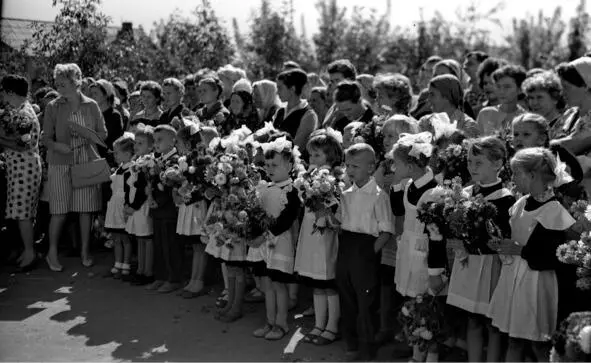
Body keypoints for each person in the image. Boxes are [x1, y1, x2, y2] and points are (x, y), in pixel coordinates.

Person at [488, 148, 575, 362]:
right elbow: (516, 236)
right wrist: (502, 244)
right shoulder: (521, 203)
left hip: (536, 283)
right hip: (513, 277)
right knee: (514, 338)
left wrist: (520, 250)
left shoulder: (553, 210)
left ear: (532, 175)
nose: (513, 178)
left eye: (517, 173)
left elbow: (554, 256)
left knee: (538, 341)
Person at [446, 137, 515, 362]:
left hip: (490, 266)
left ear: (497, 164)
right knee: (472, 320)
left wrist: (468, 243)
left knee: (491, 322)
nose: (471, 167)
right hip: (468, 266)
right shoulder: (464, 193)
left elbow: (498, 238)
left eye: (478, 163)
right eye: (469, 161)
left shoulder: (504, 199)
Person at [43, 63, 108, 271]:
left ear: (75, 82)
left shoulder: (91, 105)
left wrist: (88, 136)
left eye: (63, 83)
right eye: (57, 83)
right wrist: (58, 146)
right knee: (59, 211)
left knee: (85, 210)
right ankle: (51, 253)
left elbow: (103, 134)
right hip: (60, 163)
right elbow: (45, 139)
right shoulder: (53, 106)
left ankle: (85, 251)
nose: (58, 87)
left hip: (85, 161)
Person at [337, 143, 393, 361]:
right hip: (346, 247)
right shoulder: (346, 193)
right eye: (348, 165)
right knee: (346, 297)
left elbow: (386, 231)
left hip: (366, 249)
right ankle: (351, 344)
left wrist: (370, 253)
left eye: (356, 166)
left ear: (371, 168)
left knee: (365, 302)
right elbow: (339, 222)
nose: (350, 170)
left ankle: (367, 347)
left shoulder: (379, 196)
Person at [389, 132, 439, 361]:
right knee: (412, 304)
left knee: (426, 308)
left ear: (410, 166)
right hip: (408, 246)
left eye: (395, 163)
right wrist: (397, 187)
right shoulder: (408, 184)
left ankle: (429, 357)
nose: (392, 167)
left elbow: (436, 234)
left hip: (424, 252)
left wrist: (435, 271)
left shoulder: (433, 192)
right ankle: (416, 354)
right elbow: (399, 211)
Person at [295, 129, 344, 346]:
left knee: (327, 281)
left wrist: (328, 212)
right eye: (311, 155)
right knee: (316, 281)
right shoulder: (308, 177)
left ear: (330, 156)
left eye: (317, 155)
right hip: (310, 230)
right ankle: (318, 323)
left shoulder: (335, 180)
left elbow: (338, 210)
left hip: (326, 234)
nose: (311, 159)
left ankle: (332, 325)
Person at [373, 116, 418, 346]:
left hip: (405, 231)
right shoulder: (384, 164)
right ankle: (385, 327)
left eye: (392, 136)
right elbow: (375, 187)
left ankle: (406, 332)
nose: (386, 140)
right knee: (386, 281)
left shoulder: (412, 164)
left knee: (405, 285)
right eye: (385, 135)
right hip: (386, 230)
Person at [252, 137, 302, 340]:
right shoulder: (264, 188)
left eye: (275, 165)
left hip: (279, 243)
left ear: (289, 165)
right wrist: (252, 234)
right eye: (267, 164)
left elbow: (286, 219)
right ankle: (269, 321)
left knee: (278, 285)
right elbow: (256, 214)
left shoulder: (291, 190)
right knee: (267, 285)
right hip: (263, 244)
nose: (270, 169)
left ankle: (281, 324)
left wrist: (264, 235)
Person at [0, 75, 43, 271]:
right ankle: (26, 251)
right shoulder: (17, 110)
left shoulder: (24, 113)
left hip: (24, 166)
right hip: (19, 167)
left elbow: (25, 143)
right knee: (20, 213)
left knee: (23, 213)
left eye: (3, 91)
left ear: (10, 92)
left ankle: (29, 252)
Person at [174, 123, 218, 298]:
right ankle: (193, 279)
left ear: (187, 143)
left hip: (198, 207)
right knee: (195, 245)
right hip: (189, 206)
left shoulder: (202, 161)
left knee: (200, 246)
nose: (177, 146)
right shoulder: (187, 161)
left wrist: (187, 195)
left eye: (179, 142)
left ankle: (199, 281)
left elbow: (203, 186)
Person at [145, 125, 182, 293]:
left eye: (160, 140)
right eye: (154, 140)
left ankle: (173, 278)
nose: (156, 143)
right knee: (159, 244)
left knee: (170, 245)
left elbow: (172, 185)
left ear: (173, 140)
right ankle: (161, 276)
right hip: (157, 208)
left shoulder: (176, 160)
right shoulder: (158, 158)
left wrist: (158, 201)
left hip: (168, 210)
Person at [126, 124, 155, 286]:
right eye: (135, 143)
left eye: (140, 143)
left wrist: (133, 205)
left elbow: (144, 189)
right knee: (140, 238)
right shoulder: (137, 161)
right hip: (135, 206)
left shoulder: (148, 163)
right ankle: (140, 270)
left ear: (150, 146)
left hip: (143, 206)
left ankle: (148, 271)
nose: (136, 146)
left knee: (147, 238)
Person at [104, 134, 135, 279]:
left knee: (125, 238)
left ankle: (126, 264)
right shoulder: (119, 169)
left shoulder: (131, 170)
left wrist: (128, 207)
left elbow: (130, 191)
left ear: (128, 154)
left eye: (117, 152)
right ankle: (117, 263)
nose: (114, 155)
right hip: (114, 206)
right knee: (116, 237)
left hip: (123, 207)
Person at [552, 57, 591, 155]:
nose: (562, 92)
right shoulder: (569, 113)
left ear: (586, 85)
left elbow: (572, 145)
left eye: (566, 87)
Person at [274, 69, 318, 152]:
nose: (277, 92)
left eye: (280, 88)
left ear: (292, 89)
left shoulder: (308, 114)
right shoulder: (280, 111)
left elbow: (297, 146)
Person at [477, 64, 527, 136]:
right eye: (498, 86)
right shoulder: (485, 114)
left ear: (519, 89)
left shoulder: (525, 117)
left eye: (507, 87)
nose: (501, 91)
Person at [522, 71, 568, 140]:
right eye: (531, 98)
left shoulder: (566, 126)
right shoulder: (528, 126)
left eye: (539, 97)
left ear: (554, 99)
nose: (534, 102)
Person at [88, 79, 124, 166]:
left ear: (106, 95)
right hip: (93, 160)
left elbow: (104, 138)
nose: (92, 96)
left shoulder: (114, 116)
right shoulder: (92, 114)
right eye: (91, 94)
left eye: (96, 93)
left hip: (109, 162)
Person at [323, 59, 358, 128]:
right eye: (332, 81)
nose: (334, 85)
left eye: (337, 80)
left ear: (349, 80)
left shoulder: (357, 103)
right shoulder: (335, 104)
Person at [410, 56, 443, 120]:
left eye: (431, 70)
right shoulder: (424, 94)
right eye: (426, 70)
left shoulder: (446, 96)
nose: (427, 74)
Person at [463, 51, 490, 116]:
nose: (465, 68)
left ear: (482, 65)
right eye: (465, 64)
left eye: (470, 64)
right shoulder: (465, 94)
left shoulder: (492, 91)